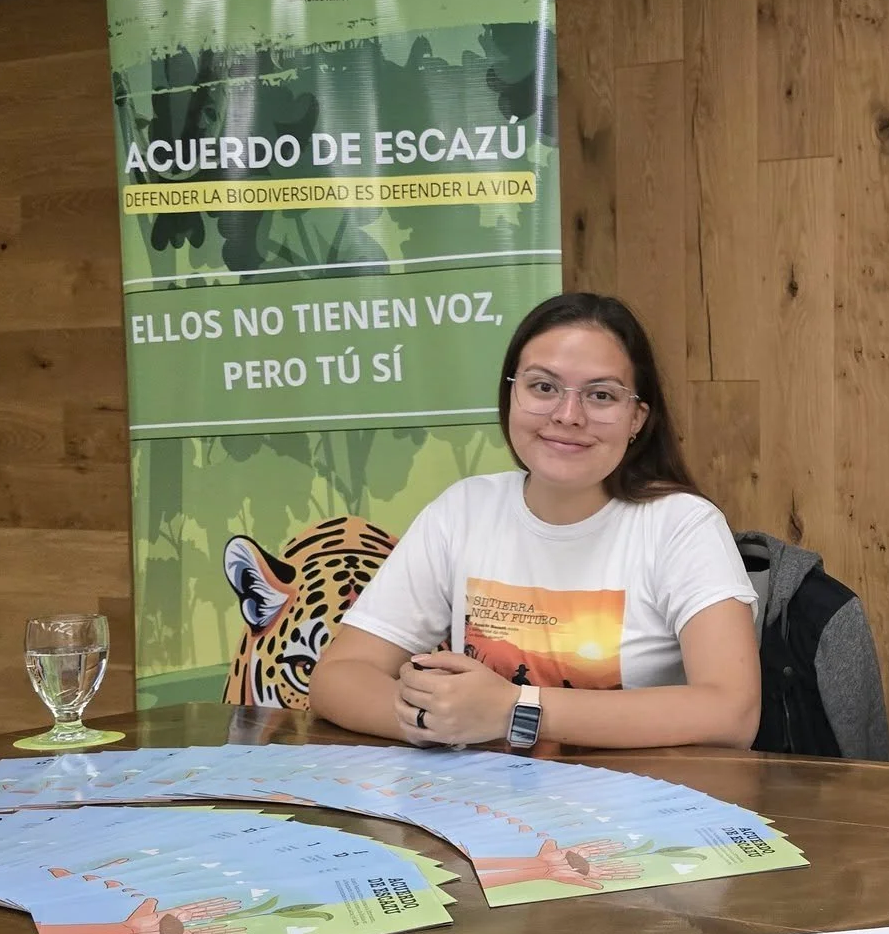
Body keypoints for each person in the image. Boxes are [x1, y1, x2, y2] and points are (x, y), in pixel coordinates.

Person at [310, 292, 760, 751]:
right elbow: (338, 677)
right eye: (543, 387)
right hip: (482, 807)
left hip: (634, 813)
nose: (568, 416)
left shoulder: (682, 525)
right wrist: (434, 717)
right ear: (511, 395)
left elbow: (731, 712)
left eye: (601, 395)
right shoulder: (463, 510)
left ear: (636, 419)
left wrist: (514, 710)